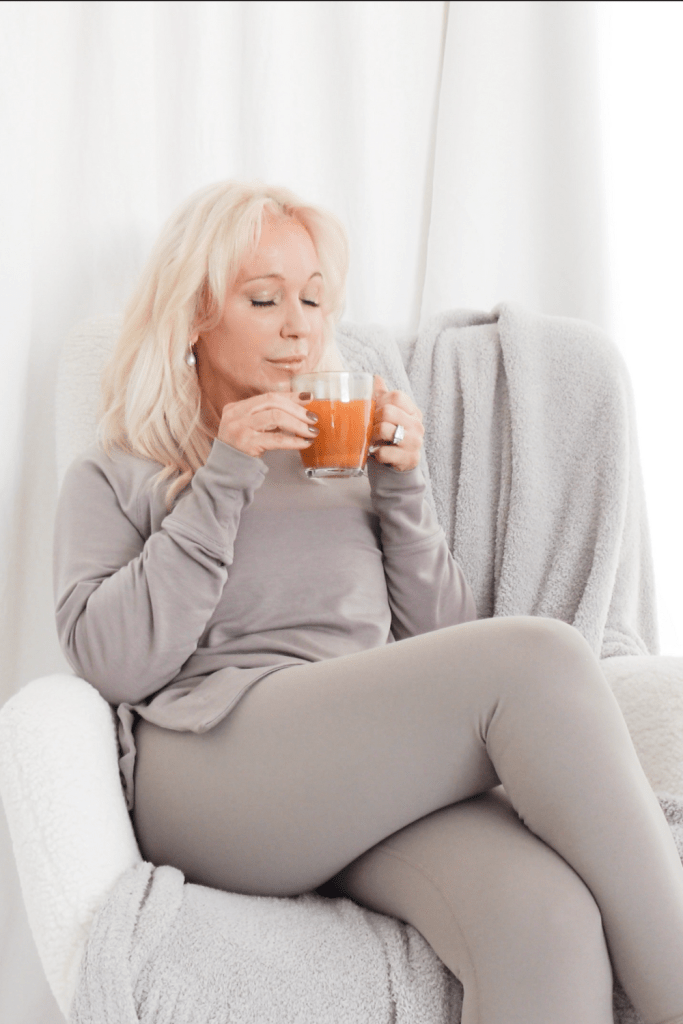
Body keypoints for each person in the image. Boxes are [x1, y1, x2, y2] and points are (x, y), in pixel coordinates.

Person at [54, 181, 683, 1024]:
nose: (299, 324)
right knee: (540, 657)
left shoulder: (338, 463)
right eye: (265, 298)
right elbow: (113, 664)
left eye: (315, 300)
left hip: (353, 781)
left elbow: (447, 648)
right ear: (196, 314)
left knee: (546, 918)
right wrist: (224, 475)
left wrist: (402, 489)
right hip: (209, 771)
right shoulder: (118, 472)